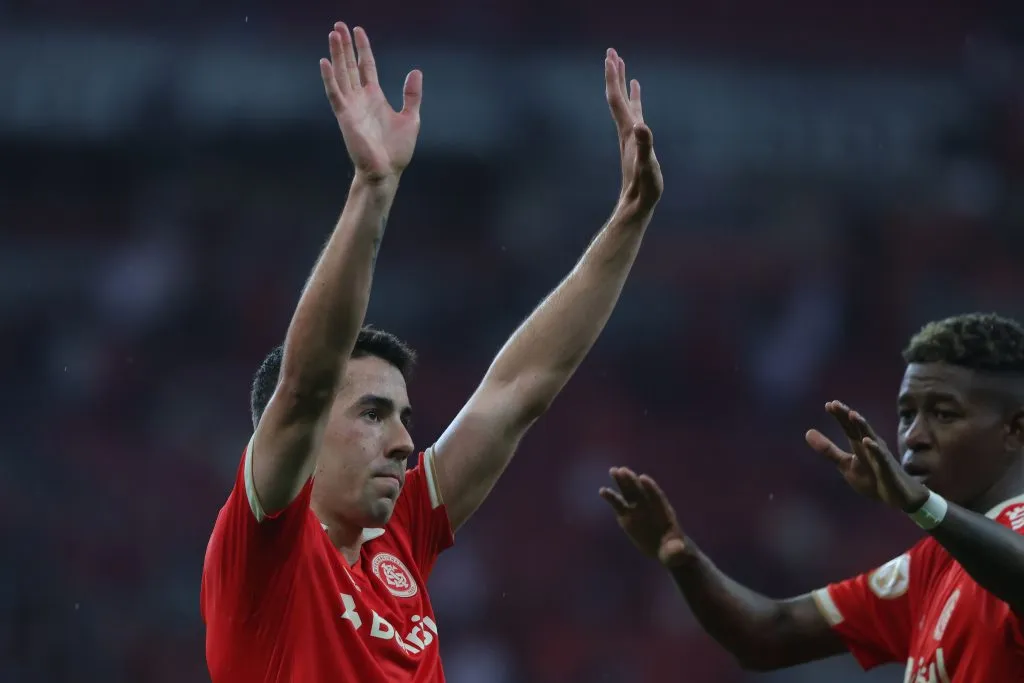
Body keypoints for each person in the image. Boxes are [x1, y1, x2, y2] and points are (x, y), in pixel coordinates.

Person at [201, 21, 663, 683]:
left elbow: (516, 393)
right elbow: (304, 385)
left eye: (403, 418)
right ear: (296, 444)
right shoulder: (265, 555)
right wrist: (373, 189)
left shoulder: (398, 538)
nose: (401, 441)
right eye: (371, 413)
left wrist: (628, 219)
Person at [601, 312, 1024, 682]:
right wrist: (683, 559)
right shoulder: (932, 565)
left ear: (1015, 429)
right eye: (906, 414)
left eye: (944, 414)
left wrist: (920, 504)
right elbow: (769, 635)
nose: (913, 436)